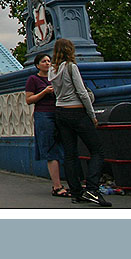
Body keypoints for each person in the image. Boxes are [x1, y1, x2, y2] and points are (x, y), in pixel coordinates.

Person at [48, 38, 111, 207]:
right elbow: (82, 93)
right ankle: (92, 188)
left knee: (70, 154)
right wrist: (92, 115)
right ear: (70, 50)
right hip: (76, 112)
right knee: (97, 151)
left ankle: (76, 193)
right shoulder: (71, 67)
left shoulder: (52, 71)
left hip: (60, 112)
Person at [25, 53, 69, 197]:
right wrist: (44, 92)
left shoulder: (56, 78)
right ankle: (57, 186)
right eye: (44, 61)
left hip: (59, 113)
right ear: (37, 65)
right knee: (50, 149)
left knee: (66, 146)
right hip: (44, 115)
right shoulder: (33, 79)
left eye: (49, 61)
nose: (47, 63)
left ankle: (71, 182)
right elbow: (29, 100)